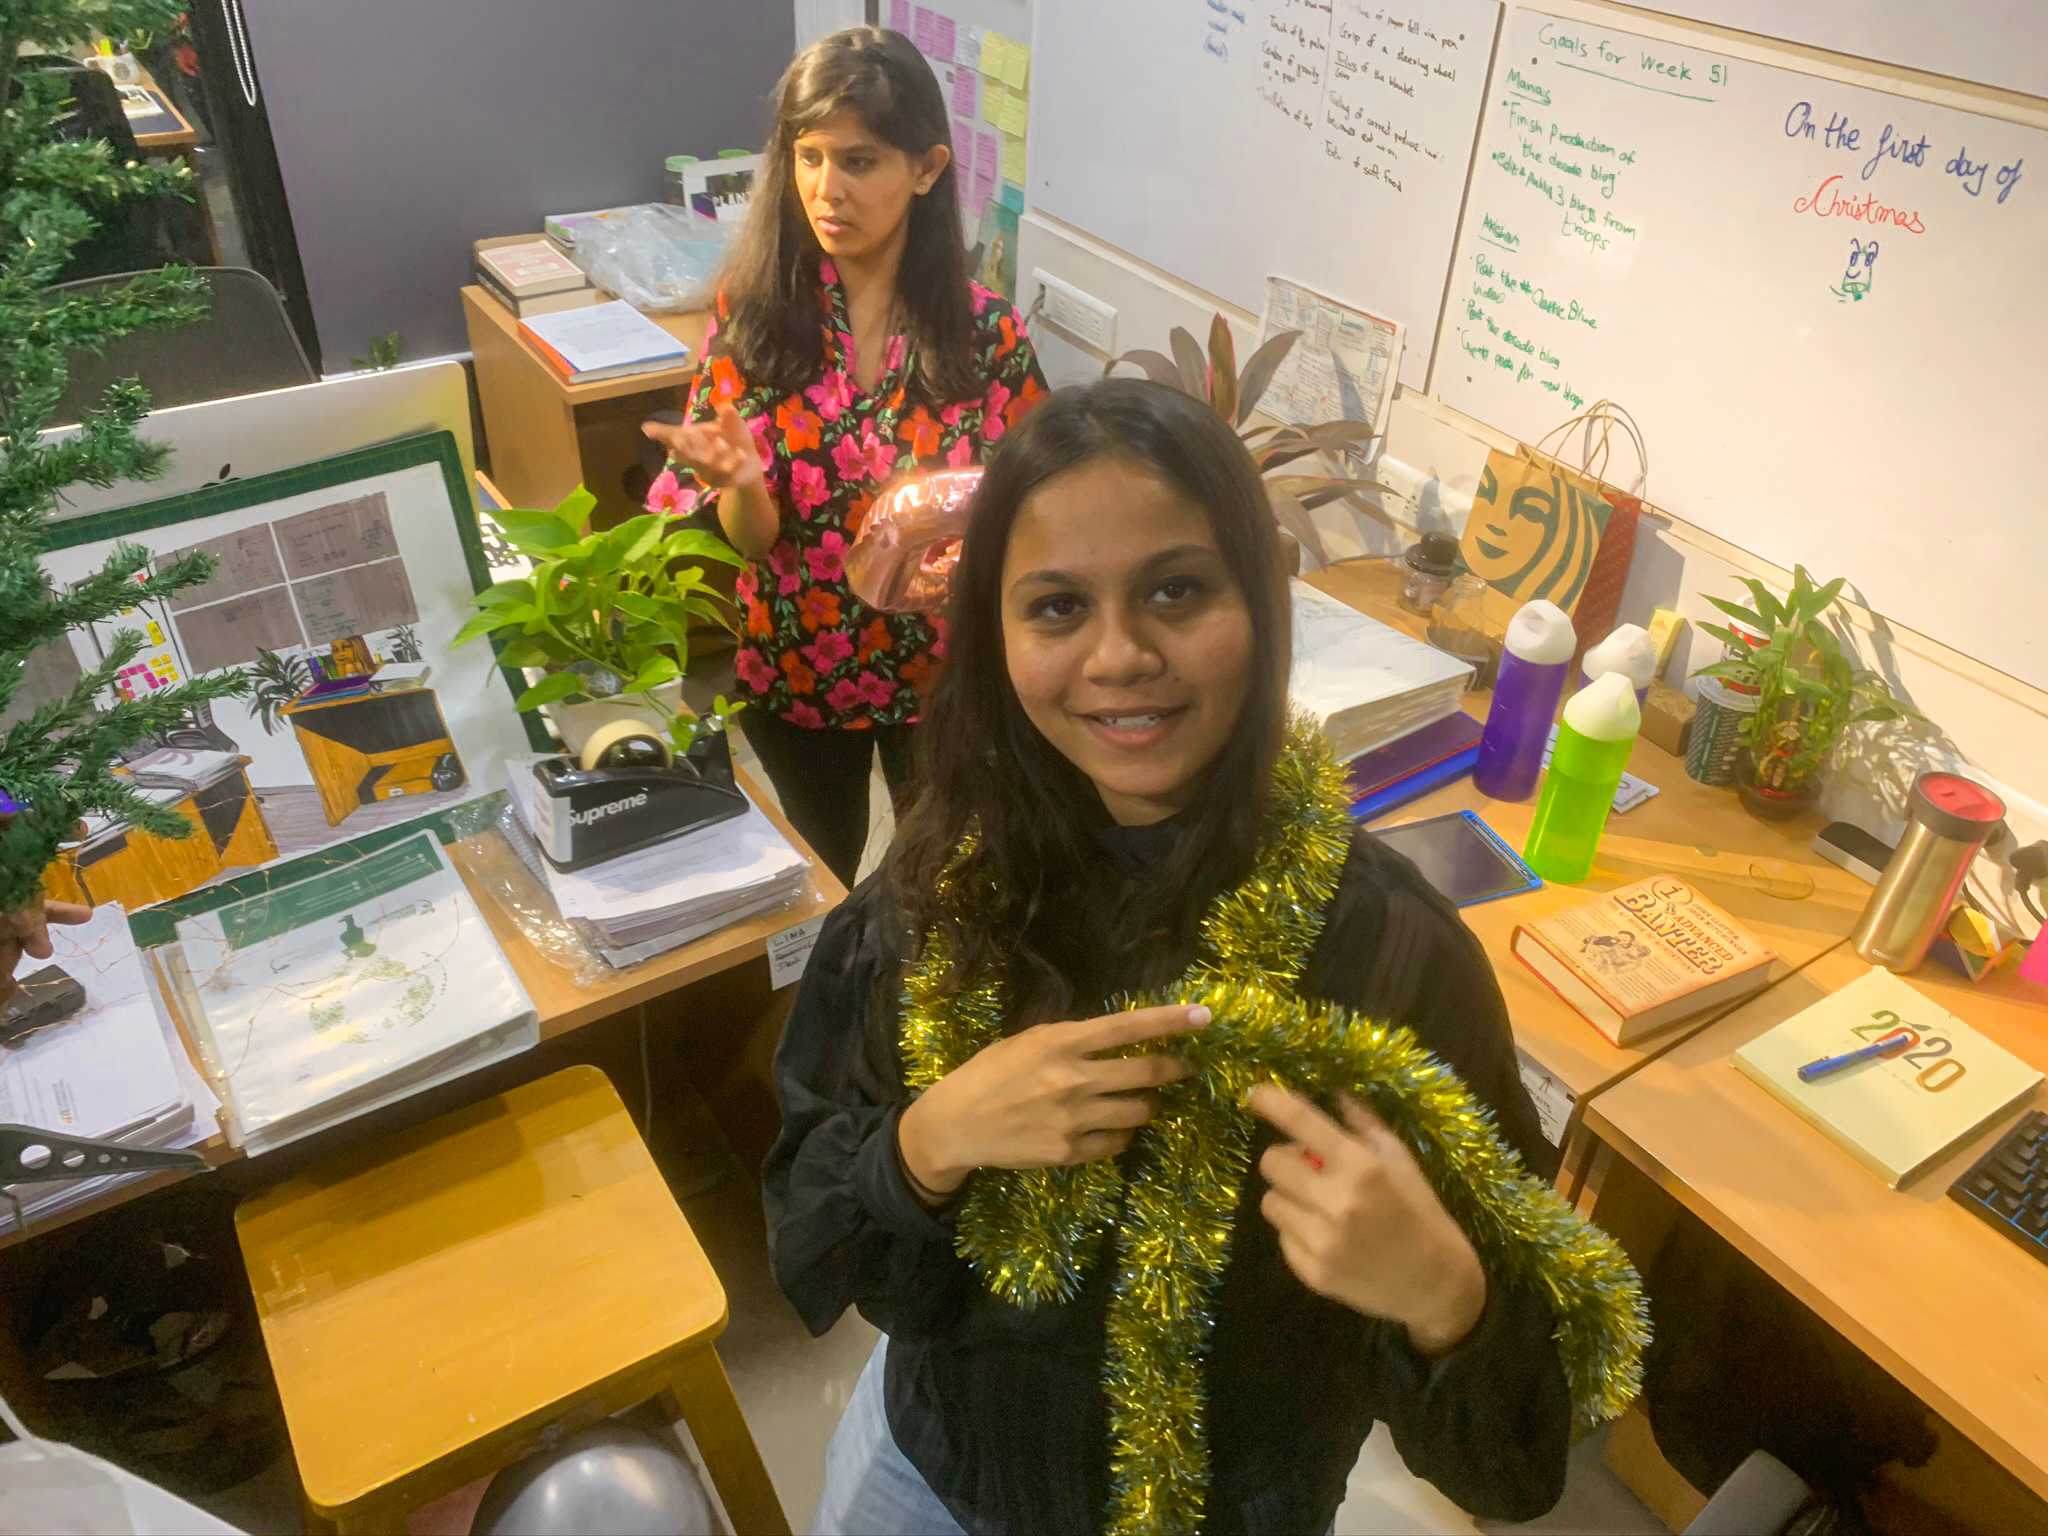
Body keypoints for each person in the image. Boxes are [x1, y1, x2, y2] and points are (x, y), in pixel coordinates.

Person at [764, 379, 1579, 1536]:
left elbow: (1518, 1470)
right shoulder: (920, 904)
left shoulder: (1392, 959)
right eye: (1054, 608)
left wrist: (1444, 1295)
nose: (1119, 656)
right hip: (932, 1483)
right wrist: (927, 1141)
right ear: (995, 640)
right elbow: (808, 1230)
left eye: (1175, 590)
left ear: (1258, 600)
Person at [642, 27, 1046, 887]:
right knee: (814, 889)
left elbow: (1039, 522)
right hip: (793, 671)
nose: (828, 191)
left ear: (927, 169)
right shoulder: (752, 318)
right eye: (810, 156)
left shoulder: (988, 337)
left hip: (941, 677)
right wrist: (742, 486)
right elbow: (751, 544)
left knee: (945, 883)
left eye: (859, 162)